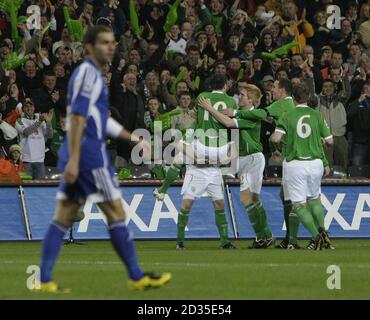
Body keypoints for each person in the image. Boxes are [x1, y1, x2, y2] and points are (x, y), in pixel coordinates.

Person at [35, 26, 171, 293]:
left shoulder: (94, 75)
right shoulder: (88, 74)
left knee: (63, 217)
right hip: (89, 155)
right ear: (88, 47)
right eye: (104, 43)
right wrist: (75, 159)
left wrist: (134, 138)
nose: (111, 47)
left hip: (80, 153)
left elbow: (101, 119)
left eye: (113, 42)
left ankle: (44, 279)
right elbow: (77, 118)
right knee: (116, 213)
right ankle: (136, 276)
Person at [198, 85, 274, 249]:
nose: (239, 97)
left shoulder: (252, 116)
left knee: (247, 199)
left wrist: (209, 108)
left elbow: (227, 122)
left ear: (251, 100)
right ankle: (266, 236)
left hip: (253, 159)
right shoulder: (241, 112)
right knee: (253, 199)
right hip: (238, 159)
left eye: (243, 95)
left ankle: (263, 236)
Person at [271, 83, 334, 251]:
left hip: (296, 164)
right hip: (315, 163)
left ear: (294, 96)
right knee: (314, 199)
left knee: (298, 204)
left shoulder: (287, 115)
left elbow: (276, 138)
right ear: (308, 97)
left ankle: (317, 237)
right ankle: (324, 232)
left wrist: (281, 140)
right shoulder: (317, 115)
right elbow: (330, 141)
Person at [15, 98, 53, 180]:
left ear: (34, 107)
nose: (29, 108)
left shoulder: (40, 118)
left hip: (40, 160)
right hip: (26, 160)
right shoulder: (19, 120)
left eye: (31, 106)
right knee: (27, 188)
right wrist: (39, 122)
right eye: (26, 106)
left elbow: (49, 135)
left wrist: (49, 123)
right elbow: (26, 132)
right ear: (23, 109)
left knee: (40, 190)